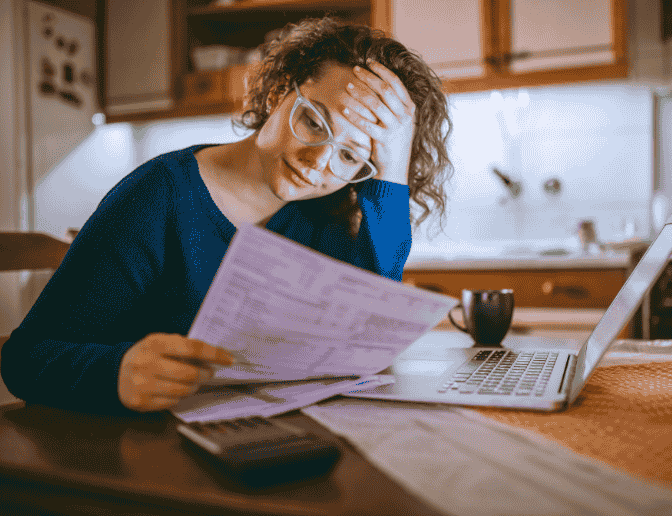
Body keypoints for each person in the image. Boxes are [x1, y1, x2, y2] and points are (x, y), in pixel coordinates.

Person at [0, 17, 452, 415]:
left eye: (351, 156)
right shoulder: (158, 196)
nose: (318, 162)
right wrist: (116, 372)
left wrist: (393, 171)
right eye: (314, 122)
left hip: (260, 448)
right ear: (279, 92)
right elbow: (26, 359)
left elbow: (366, 339)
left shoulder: (327, 217)